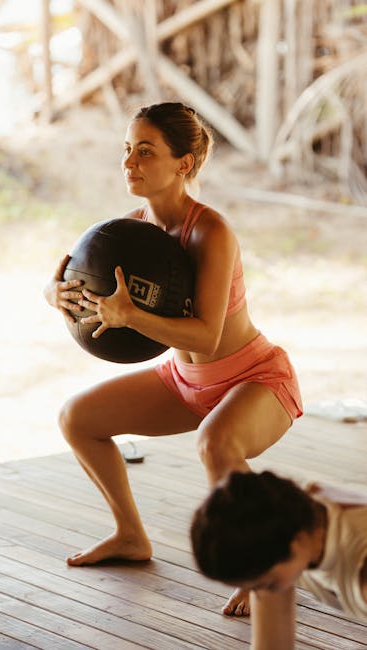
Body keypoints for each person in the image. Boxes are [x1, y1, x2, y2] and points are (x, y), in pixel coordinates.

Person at [43, 101, 303, 615]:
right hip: (184, 380)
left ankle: (259, 565)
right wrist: (54, 294)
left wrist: (130, 317)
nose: (129, 163)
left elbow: (207, 336)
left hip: (255, 379)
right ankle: (129, 535)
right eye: (126, 150)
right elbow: (76, 283)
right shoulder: (129, 231)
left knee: (216, 444)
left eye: (145, 151)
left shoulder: (210, 232)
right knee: (78, 418)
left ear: (183, 164)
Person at [191, 471, 367, 649]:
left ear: (297, 541)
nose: (257, 592)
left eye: (265, 584)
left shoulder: (359, 566)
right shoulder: (285, 511)